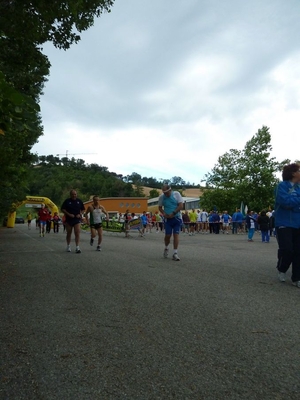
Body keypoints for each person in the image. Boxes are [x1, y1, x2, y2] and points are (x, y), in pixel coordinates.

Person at [274, 163, 300, 287]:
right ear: (293, 173)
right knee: (287, 249)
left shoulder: (299, 188)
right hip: (283, 223)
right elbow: (285, 202)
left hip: (298, 224)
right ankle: (282, 268)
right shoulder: (281, 186)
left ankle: (296, 277)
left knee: (298, 251)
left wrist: (294, 204)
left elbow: (293, 205)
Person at [158, 184, 183, 261]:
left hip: (176, 218)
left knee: (176, 235)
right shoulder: (162, 197)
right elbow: (160, 207)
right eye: (164, 193)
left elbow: (181, 205)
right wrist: (164, 213)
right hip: (168, 220)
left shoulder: (176, 194)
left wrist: (173, 213)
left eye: (167, 193)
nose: (166, 194)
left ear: (170, 190)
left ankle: (175, 253)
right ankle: (166, 247)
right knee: (167, 236)